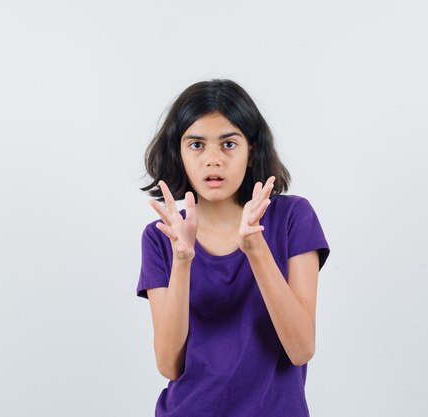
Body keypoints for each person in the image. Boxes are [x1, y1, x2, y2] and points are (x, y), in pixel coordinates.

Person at [137, 79, 330, 417]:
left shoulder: (293, 218)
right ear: (178, 152)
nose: (213, 160)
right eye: (196, 144)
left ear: (251, 148)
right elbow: (169, 365)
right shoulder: (161, 237)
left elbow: (301, 348)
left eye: (228, 143)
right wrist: (182, 261)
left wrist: (255, 248)